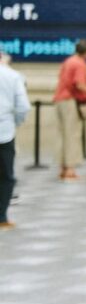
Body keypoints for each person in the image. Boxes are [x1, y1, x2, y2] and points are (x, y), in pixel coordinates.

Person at [52, 39, 86, 182]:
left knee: (62, 135)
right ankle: (70, 171)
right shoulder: (80, 63)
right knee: (72, 135)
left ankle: (63, 169)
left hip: (59, 100)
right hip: (70, 101)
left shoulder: (68, 61)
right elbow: (80, 84)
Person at [0, 53, 29, 230]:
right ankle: (1, 216)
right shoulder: (12, 76)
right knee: (6, 176)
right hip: (4, 132)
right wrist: (15, 123)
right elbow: (23, 106)